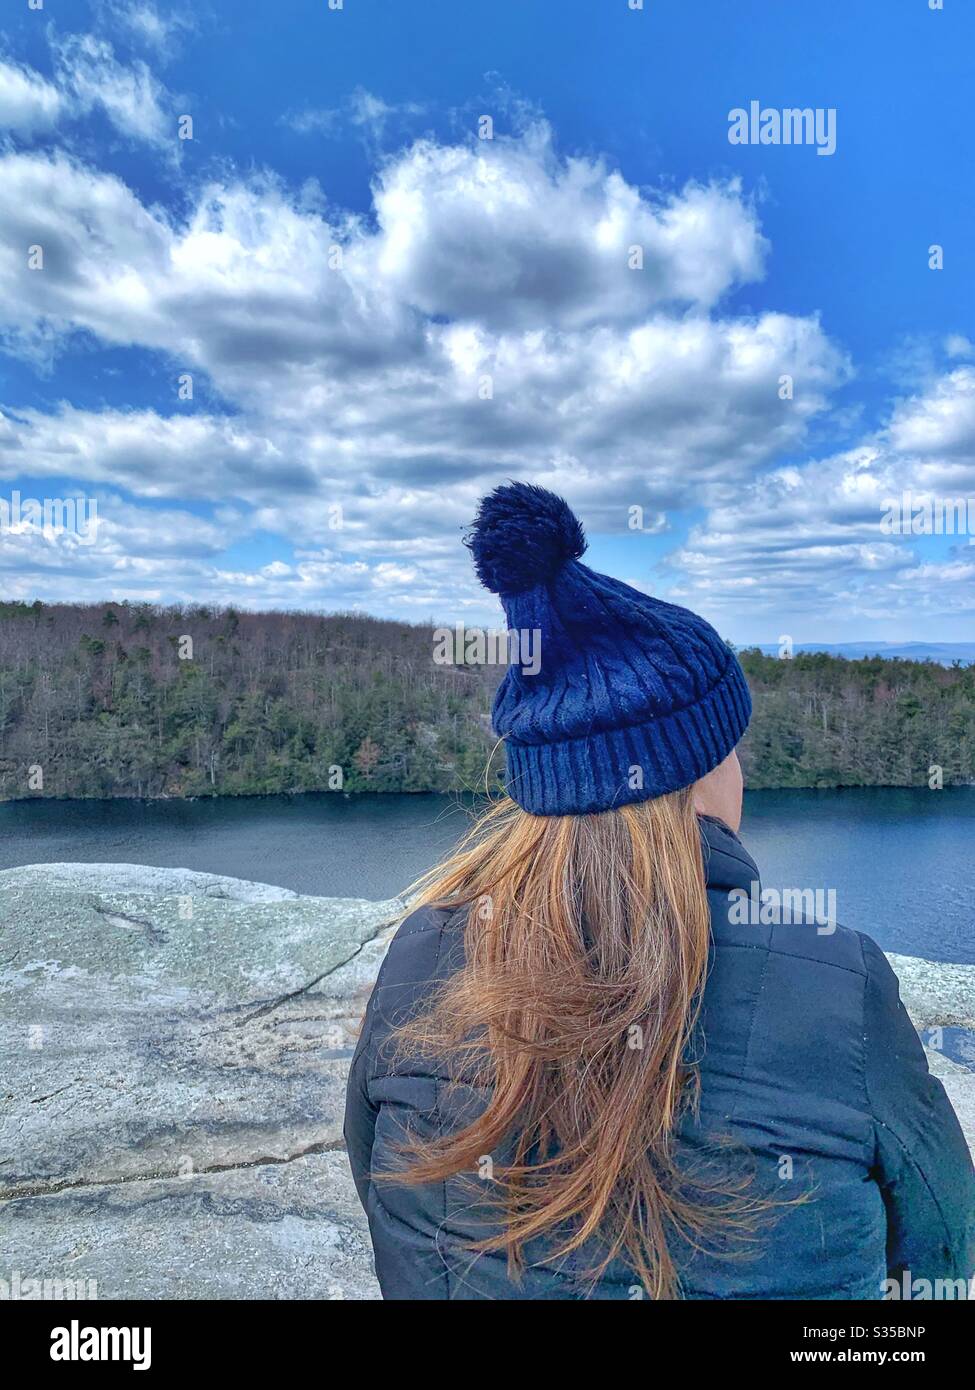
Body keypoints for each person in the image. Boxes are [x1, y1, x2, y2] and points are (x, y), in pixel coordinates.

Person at [344, 481, 974, 1300]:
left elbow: (378, 1182)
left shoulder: (422, 952)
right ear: (700, 772)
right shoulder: (836, 981)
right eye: (732, 749)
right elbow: (944, 1246)